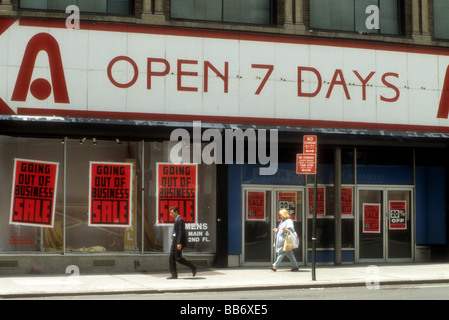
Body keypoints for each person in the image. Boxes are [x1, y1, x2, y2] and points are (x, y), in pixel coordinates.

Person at [167, 206, 197, 279]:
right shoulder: (177, 220)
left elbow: (181, 232)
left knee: (178, 258)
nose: (171, 215)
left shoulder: (180, 220)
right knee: (171, 258)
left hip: (178, 242)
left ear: (176, 212)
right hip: (175, 241)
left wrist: (179, 243)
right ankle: (174, 275)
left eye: (172, 213)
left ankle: (193, 266)